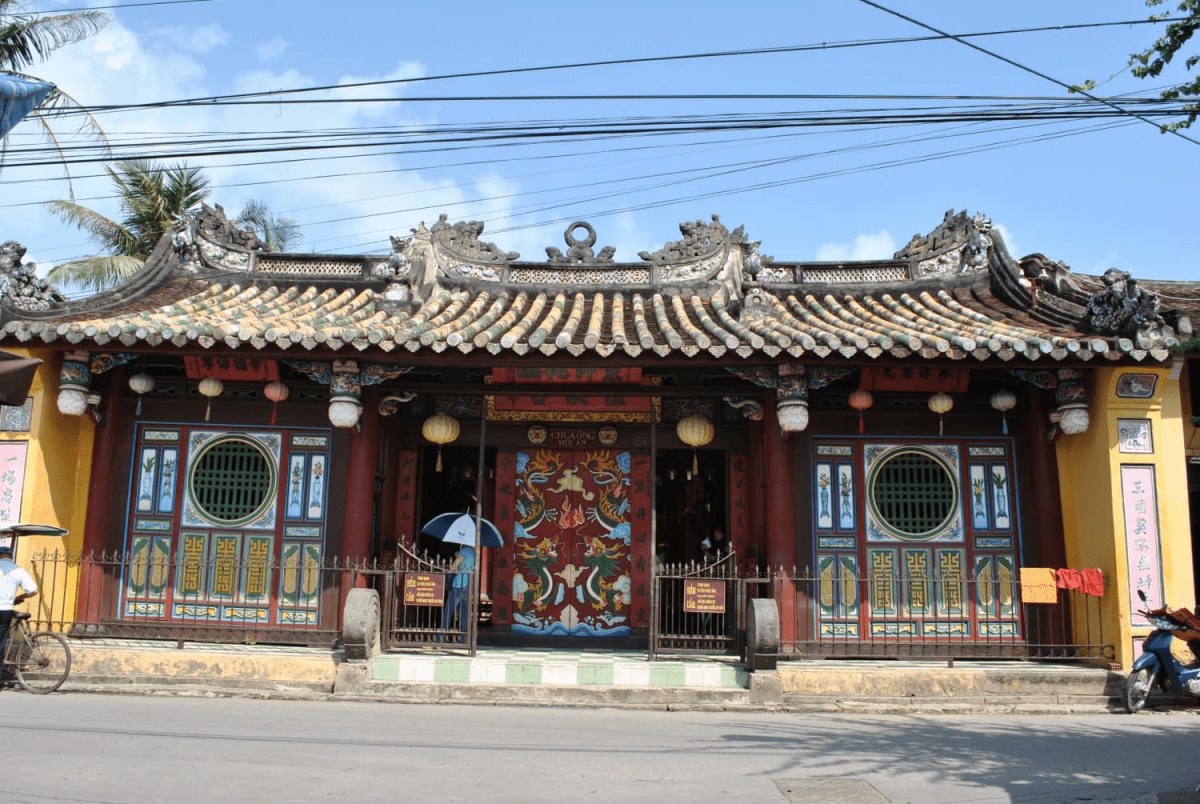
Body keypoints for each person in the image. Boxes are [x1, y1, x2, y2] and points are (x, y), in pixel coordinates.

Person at [0, 542, 37, 661]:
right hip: (6, 610)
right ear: (11, 557)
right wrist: (19, 597)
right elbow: (33, 591)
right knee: (1, 642)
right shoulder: (18, 571)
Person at [441, 544, 475, 640]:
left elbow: (453, 567)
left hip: (458, 584)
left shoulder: (463, 551)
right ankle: (464, 640)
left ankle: (440, 638)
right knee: (464, 614)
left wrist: (455, 563)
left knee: (448, 612)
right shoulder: (474, 553)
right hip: (467, 585)